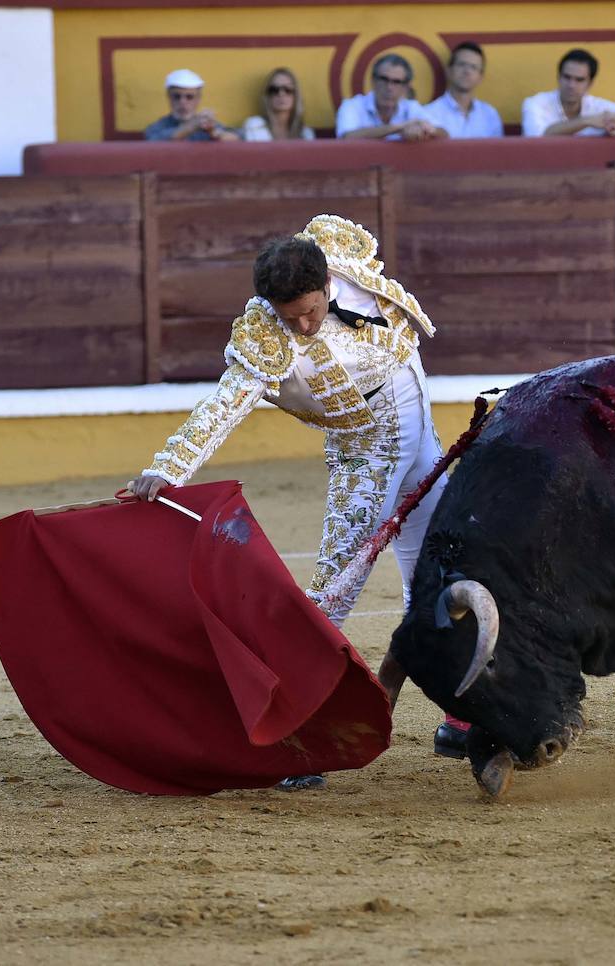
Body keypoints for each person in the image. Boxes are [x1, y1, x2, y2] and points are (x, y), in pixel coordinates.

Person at [125, 215, 471, 774]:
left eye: (310, 310)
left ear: (327, 281)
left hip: (423, 437)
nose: (305, 326)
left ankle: (461, 714)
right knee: (333, 591)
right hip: (366, 452)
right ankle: (301, 731)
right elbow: (224, 405)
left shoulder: (341, 255)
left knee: (446, 570)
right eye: (292, 317)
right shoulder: (265, 336)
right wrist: (168, 468)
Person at [521, 48, 615, 137]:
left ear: (590, 83)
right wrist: (586, 121)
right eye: (567, 77)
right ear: (558, 77)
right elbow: (535, 136)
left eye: (579, 80)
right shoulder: (535, 103)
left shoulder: (595, 105)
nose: (571, 85)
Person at [335, 54, 445, 141]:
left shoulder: (411, 107)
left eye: (396, 82)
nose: (389, 87)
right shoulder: (353, 105)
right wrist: (398, 128)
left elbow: (444, 134)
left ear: (406, 87)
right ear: (373, 80)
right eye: (383, 79)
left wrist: (425, 129)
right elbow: (347, 137)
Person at [422, 42, 504, 139]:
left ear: (480, 77)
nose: (467, 71)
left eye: (473, 67)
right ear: (448, 70)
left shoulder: (490, 115)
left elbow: (497, 153)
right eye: (461, 64)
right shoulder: (429, 113)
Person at [143, 68, 239, 142]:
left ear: (198, 99)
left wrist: (214, 132)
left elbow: (236, 138)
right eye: (177, 97)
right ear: (169, 98)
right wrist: (192, 126)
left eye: (189, 97)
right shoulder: (158, 127)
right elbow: (153, 140)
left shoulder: (205, 123)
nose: (182, 102)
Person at [241, 67, 316, 141]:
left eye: (288, 89)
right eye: (274, 90)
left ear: (296, 95)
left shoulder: (306, 133)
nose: (281, 94)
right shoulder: (254, 125)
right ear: (267, 96)